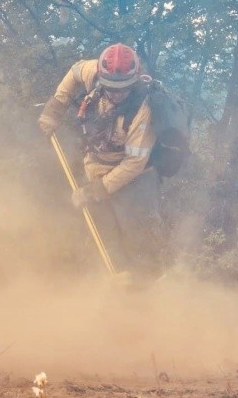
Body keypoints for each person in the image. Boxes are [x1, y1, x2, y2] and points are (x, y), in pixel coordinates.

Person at [38, 43, 167, 282]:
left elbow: (134, 164)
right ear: (102, 76)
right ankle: (112, 285)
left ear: (134, 81)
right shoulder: (93, 72)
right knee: (102, 235)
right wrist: (54, 108)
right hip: (97, 167)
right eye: (110, 88)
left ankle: (148, 291)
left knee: (140, 240)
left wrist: (94, 191)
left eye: (123, 89)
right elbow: (75, 70)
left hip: (136, 180)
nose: (115, 94)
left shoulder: (143, 111)